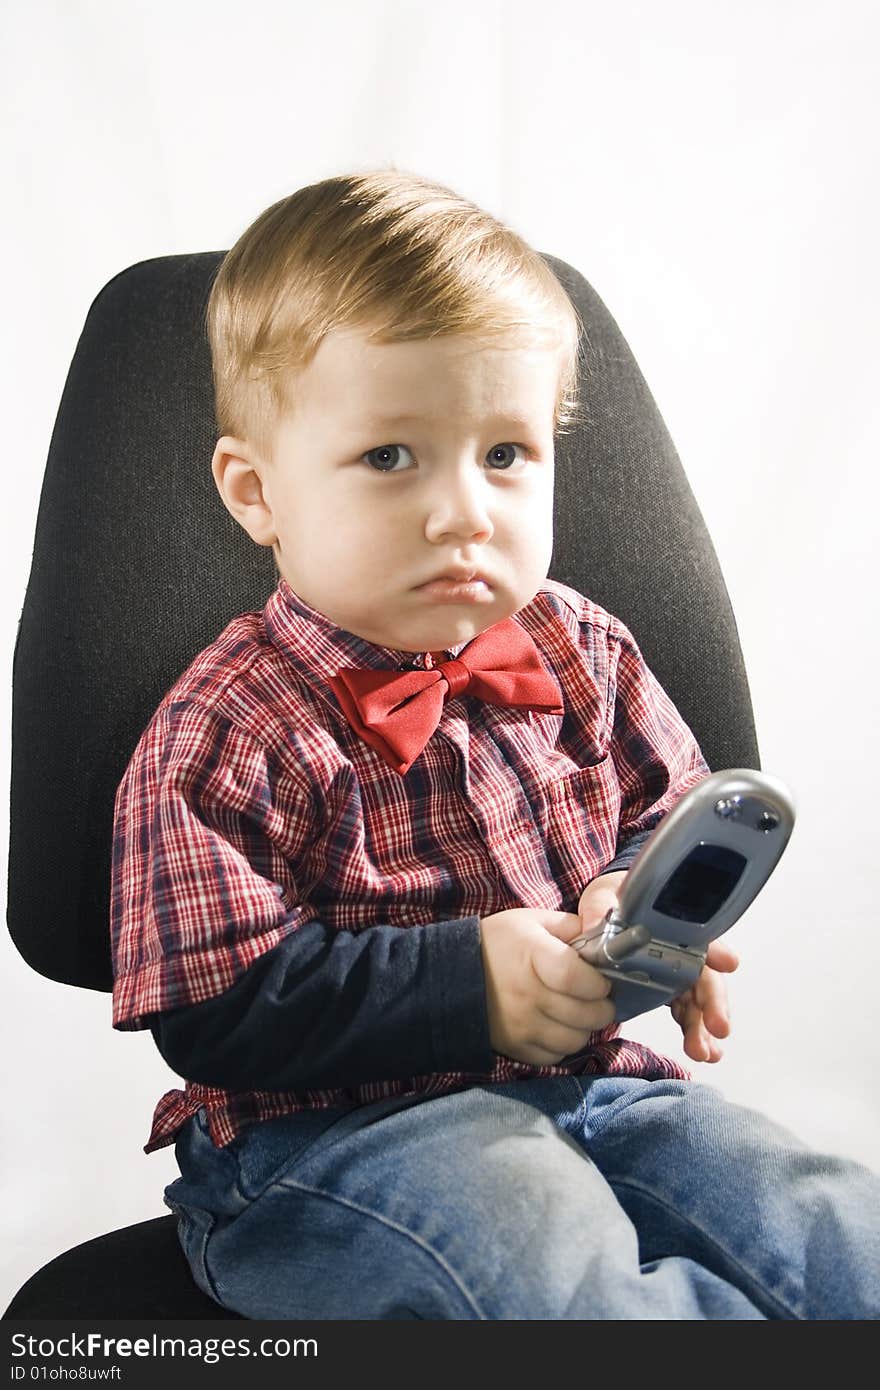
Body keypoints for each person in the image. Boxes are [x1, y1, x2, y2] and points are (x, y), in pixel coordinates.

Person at [110, 167, 880, 1320]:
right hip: (323, 1148)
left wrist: (630, 924)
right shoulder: (224, 733)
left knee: (825, 1221)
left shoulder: (581, 646)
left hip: (596, 1089)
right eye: (390, 456)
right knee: (563, 1275)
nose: (466, 510)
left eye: (506, 453)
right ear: (256, 490)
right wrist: (468, 983)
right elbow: (215, 1005)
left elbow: (661, 818)